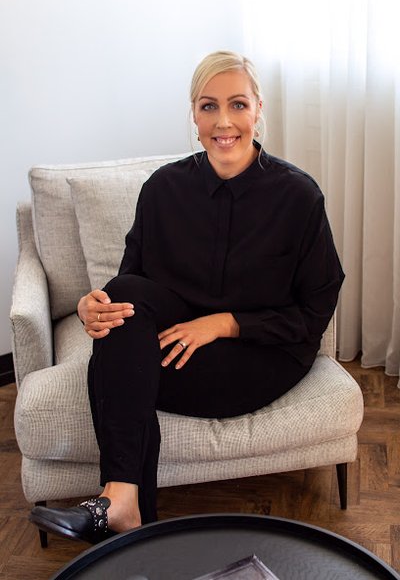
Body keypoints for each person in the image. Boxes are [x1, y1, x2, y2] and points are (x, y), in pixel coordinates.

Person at [30, 50, 344, 544]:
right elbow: (131, 282)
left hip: (259, 356)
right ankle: (122, 500)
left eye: (238, 104)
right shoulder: (163, 189)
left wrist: (225, 323)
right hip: (177, 344)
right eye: (208, 106)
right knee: (120, 305)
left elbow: (315, 309)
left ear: (258, 109)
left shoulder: (298, 196)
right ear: (193, 115)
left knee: (113, 366)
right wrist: (95, 307)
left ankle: (126, 512)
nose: (223, 122)